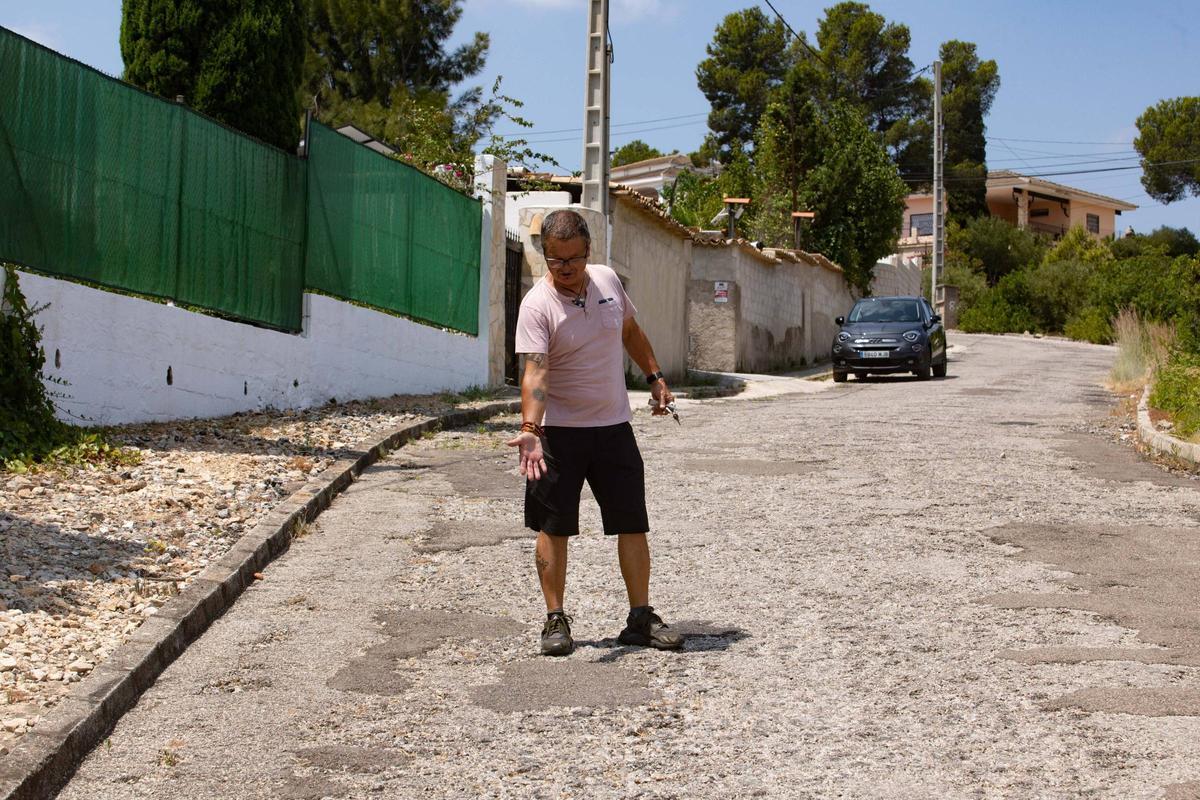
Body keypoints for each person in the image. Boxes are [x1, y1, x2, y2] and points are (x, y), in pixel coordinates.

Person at [506, 209, 684, 657]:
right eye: (555, 259)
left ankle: (640, 617)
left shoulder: (607, 280)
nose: (565, 268)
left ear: (589, 251)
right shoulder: (537, 305)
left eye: (573, 258)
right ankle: (555, 619)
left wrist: (655, 377)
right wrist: (530, 428)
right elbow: (535, 372)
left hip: (613, 428)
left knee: (632, 522)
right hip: (559, 433)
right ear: (545, 254)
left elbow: (630, 331)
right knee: (553, 527)